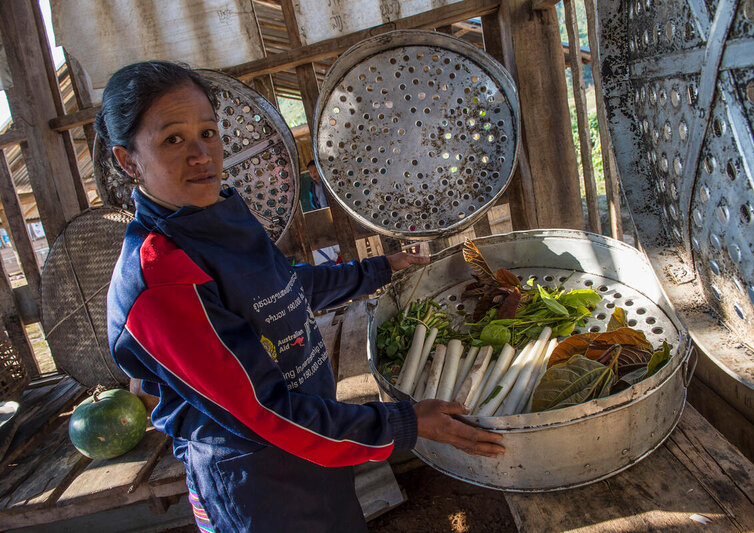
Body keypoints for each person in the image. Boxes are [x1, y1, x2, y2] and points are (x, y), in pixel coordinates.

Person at [98, 61, 503, 533]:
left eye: (208, 132)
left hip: (315, 446)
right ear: (128, 161)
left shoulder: (221, 213)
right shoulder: (160, 282)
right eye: (173, 139)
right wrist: (405, 423)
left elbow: (282, 291)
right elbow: (262, 413)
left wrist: (375, 271)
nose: (201, 154)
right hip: (259, 482)